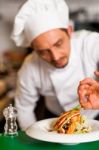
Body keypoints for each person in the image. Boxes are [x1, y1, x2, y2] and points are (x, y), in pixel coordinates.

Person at [11, 0, 99, 131]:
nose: (55, 57)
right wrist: (36, 137)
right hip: (55, 119)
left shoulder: (91, 43)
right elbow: (24, 107)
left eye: (58, 44)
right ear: (33, 48)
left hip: (95, 115)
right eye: (43, 51)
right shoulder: (29, 67)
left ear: (69, 31)